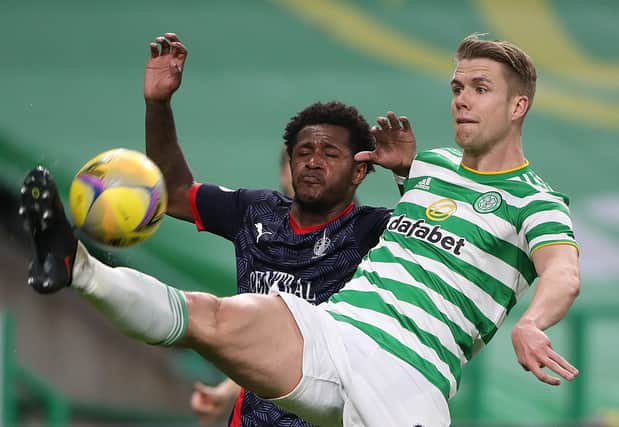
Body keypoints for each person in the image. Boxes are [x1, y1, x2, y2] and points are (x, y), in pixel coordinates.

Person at [21, 34, 580, 426]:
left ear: (518, 106)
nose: (461, 98)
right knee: (212, 316)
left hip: (408, 374)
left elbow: (563, 271)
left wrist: (533, 322)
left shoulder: (537, 200)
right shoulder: (431, 166)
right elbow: (172, 189)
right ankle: (79, 266)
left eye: (480, 88)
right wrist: (409, 170)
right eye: (457, 87)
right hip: (335, 332)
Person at [147, 33, 396, 427]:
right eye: (303, 152)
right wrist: (158, 105)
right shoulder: (255, 211)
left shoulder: (375, 233)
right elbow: (174, 192)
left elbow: (437, 235)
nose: (313, 162)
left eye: (330, 154)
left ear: (360, 171)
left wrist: (406, 173)